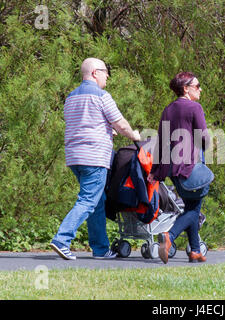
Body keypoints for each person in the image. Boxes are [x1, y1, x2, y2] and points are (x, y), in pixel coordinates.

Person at [50, 58, 141, 260]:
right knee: (88, 200)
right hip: (94, 157)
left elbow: (84, 124)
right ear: (94, 73)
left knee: (97, 201)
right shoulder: (102, 96)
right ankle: (61, 239)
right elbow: (121, 123)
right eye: (105, 71)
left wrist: (107, 131)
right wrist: (133, 135)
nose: (107, 75)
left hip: (75, 157)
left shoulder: (71, 97)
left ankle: (100, 249)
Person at [148, 72, 210, 264]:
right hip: (190, 166)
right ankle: (170, 236)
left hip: (173, 169)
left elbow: (161, 142)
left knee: (192, 206)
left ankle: (195, 251)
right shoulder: (194, 108)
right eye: (197, 86)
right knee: (193, 210)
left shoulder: (168, 110)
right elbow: (203, 139)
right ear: (186, 89)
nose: (200, 89)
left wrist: (156, 172)